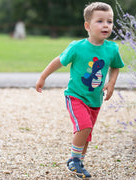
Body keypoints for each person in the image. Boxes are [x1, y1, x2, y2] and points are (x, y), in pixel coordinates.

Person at [36, 2, 124, 179]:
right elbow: (58, 61)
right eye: (100, 21)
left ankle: (79, 163)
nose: (106, 25)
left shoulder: (112, 48)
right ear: (87, 26)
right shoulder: (77, 47)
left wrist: (111, 83)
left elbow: (116, 66)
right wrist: (43, 77)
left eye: (110, 21)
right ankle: (73, 160)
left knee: (87, 134)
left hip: (95, 99)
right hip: (76, 96)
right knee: (84, 126)